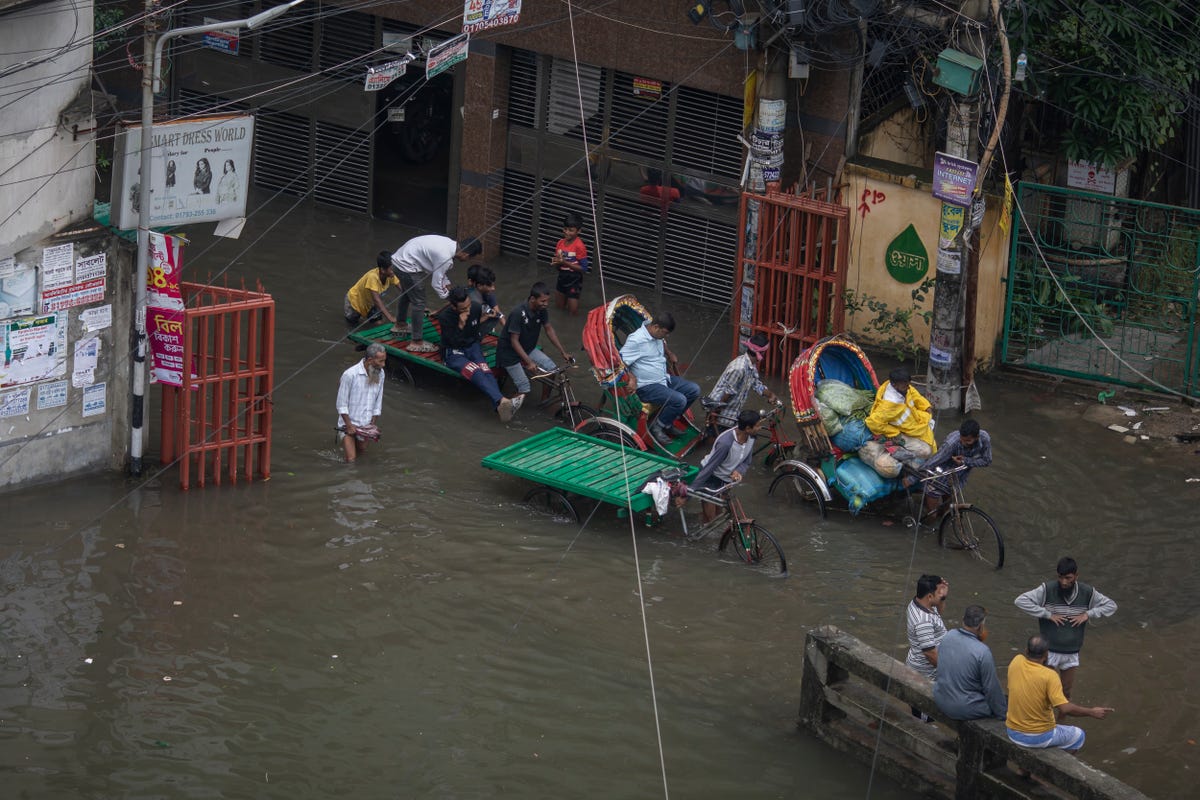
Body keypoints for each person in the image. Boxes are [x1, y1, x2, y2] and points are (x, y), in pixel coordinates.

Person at [1014, 556, 1117, 699]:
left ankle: (1061, 720)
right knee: (1043, 692)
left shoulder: (1087, 592)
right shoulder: (1047, 589)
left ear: (1076, 576)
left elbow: (1111, 605)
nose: (1064, 582)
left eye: (1068, 578)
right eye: (1061, 578)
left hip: (1072, 651)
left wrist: (1088, 614)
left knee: (1066, 692)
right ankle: (1045, 719)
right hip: (1049, 651)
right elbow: (1020, 601)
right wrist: (1047, 614)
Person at [1006, 635, 1114, 752]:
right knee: (1079, 735)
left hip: (1012, 732)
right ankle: (1057, 762)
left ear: (1027, 651)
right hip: (1037, 737)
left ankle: (1023, 770)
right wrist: (1091, 712)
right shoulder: (1050, 676)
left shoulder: (1016, 661)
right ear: (1046, 654)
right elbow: (1065, 709)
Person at [436, 286, 521, 422]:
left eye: (468, 306)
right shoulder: (445, 317)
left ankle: (499, 406)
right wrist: (461, 323)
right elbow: (452, 340)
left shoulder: (475, 307)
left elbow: (475, 329)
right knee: (475, 371)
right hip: (453, 351)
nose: (468, 310)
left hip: (472, 346)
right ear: (453, 306)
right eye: (463, 309)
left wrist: (486, 318)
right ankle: (502, 401)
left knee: (486, 371)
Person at [618, 311, 700, 446]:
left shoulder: (657, 336)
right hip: (646, 386)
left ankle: (667, 422)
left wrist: (669, 353)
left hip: (663, 379)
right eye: (665, 333)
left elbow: (663, 344)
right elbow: (620, 363)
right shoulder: (636, 340)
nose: (665, 337)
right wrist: (631, 378)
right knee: (679, 400)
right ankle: (657, 426)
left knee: (694, 390)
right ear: (655, 327)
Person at [391, 235, 482, 353]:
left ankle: (400, 324)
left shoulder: (450, 245)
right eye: (469, 258)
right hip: (406, 265)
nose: (466, 261)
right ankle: (417, 342)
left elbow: (438, 272)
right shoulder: (445, 257)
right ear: (466, 255)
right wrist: (451, 299)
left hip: (400, 259)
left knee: (408, 293)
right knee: (419, 302)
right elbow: (436, 283)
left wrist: (448, 285)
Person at [496, 282, 573, 402]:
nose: (546, 304)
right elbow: (514, 341)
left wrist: (563, 352)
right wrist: (529, 362)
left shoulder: (541, 310)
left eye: (547, 301)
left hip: (528, 348)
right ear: (532, 299)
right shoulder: (518, 313)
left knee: (552, 370)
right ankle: (505, 407)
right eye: (543, 301)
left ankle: (544, 401)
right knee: (524, 388)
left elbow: (549, 329)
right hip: (509, 354)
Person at [933, 605, 1007, 721]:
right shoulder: (982, 652)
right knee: (1000, 704)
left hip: (940, 698)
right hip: (962, 707)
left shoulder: (949, 635)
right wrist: (1003, 715)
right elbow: (991, 689)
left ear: (963, 620)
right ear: (980, 626)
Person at [688, 410, 761, 523]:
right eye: (757, 426)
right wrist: (689, 492)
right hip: (710, 477)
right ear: (747, 428)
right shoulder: (725, 443)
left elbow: (747, 461)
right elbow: (709, 468)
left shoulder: (751, 437)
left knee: (719, 514)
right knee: (711, 520)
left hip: (726, 479)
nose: (759, 428)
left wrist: (739, 471)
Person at [911, 419, 992, 516]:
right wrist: (913, 478)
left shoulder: (984, 439)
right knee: (932, 515)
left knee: (949, 512)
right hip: (939, 476)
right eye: (962, 439)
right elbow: (934, 461)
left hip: (958, 476)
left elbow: (987, 460)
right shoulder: (952, 443)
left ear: (977, 437)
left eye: (967, 441)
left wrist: (965, 460)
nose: (963, 443)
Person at [702, 332, 778, 433]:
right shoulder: (739, 368)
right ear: (761, 353)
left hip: (733, 410)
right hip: (722, 411)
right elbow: (727, 393)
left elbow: (756, 384)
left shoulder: (751, 365)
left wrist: (771, 395)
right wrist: (714, 414)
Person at [865, 366, 937, 461]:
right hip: (902, 431)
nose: (908, 388)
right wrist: (894, 433)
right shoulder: (889, 406)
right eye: (905, 386)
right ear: (894, 385)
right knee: (926, 451)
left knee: (930, 435)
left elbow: (913, 393)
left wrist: (926, 406)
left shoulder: (903, 387)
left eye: (908, 384)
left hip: (913, 424)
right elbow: (872, 423)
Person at [906, 573, 948, 720]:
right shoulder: (922, 621)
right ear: (929, 596)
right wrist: (949, 673)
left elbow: (940, 613)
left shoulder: (921, 602)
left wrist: (942, 596)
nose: (941, 595)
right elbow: (930, 654)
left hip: (924, 666)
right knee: (926, 714)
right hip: (925, 673)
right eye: (938, 593)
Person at [336, 343, 387, 463]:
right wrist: (349, 425)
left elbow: (378, 401)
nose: (383, 365)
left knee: (362, 452)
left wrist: (372, 424)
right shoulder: (350, 375)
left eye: (384, 361)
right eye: (380, 361)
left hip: (366, 425)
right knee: (351, 459)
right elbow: (341, 404)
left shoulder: (381, 373)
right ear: (370, 360)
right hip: (348, 424)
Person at [343, 252, 400, 326]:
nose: (395, 270)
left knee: (378, 323)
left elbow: (402, 289)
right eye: (392, 268)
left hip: (369, 304)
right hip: (354, 303)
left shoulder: (391, 275)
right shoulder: (372, 277)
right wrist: (390, 317)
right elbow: (377, 300)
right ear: (383, 270)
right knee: (352, 325)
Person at [551, 211, 589, 316]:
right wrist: (557, 263)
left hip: (574, 279)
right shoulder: (560, 243)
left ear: (579, 231)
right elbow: (559, 266)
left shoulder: (580, 246)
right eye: (565, 229)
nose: (567, 232)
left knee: (573, 312)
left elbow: (583, 268)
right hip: (562, 277)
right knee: (559, 309)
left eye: (571, 230)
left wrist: (565, 262)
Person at [466, 264, 504, 337]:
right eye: (490, 286)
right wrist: (486, 317)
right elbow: (469, 323)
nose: (493, 289)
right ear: (479, 285)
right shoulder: (472, 300)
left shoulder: (488, 294)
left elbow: (499, 313)